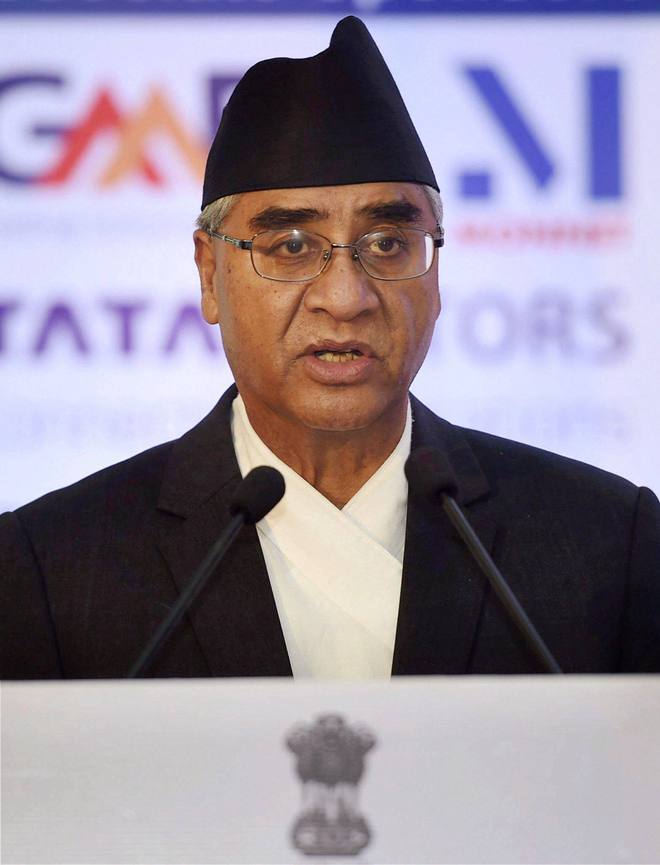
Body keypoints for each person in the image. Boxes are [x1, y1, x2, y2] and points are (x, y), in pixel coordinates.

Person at [1, 17, 659, 680]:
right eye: (290, 246)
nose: (345, 298)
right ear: (208, 273)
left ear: (436, 271)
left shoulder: (609, 543)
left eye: (388, 244)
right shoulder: (53, 568)